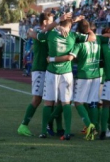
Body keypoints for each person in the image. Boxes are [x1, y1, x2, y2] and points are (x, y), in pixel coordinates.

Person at [28, 13, 96, 141]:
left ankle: (43, 132)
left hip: (51, 72)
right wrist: (78, 25)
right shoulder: (73, 35)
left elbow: (38, 34)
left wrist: (58, 25)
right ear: (70, 26)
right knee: (66, 103)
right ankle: (67, 132)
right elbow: (92, 37)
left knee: (48, 102)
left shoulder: (50, 34)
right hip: (66, 73)